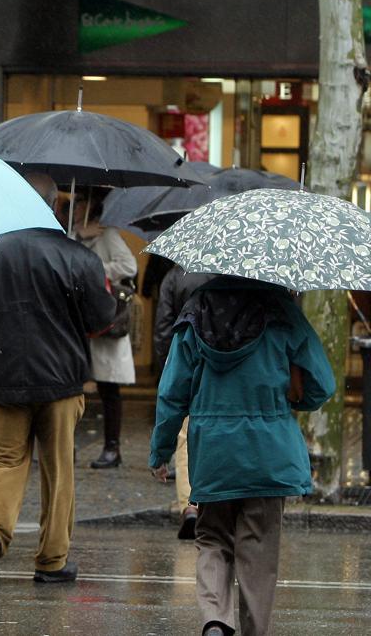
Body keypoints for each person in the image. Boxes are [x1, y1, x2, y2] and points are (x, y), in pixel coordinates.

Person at [0, 173, 115, 588]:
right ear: (55, 204)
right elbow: (100, 319)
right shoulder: (77, 257)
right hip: (61, 381)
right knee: (59, 470)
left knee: (3, 460)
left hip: (2, 377)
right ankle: (52, 560)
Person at [149, 277, 334, 636]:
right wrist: (294, 401)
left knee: (213, 538)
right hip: (270, 453)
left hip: (214, 452)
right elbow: (321, 383)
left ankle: (216, 619)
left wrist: (162, 450)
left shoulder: (195, 313)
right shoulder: (283, 311)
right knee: (259, 550)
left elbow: (171, 393)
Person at [71, 195, 138, 469]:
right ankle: (67, 444)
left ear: (90, 206)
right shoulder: (70, 234)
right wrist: (77, 234)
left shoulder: (107, 234)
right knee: (73, 385)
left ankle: (112, 447)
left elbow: (129, 266)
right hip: (79, 321)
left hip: (106, 321)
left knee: (109, 387)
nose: (74, 207)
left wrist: (96, 270)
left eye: (78, 203)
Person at [153, 261, 214, 539]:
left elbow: (164, 324)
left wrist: (164, 365)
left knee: (185, 435)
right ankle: (215, 501)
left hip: (185, 359)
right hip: (219, 368)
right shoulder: (230, 276)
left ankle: (191, 505)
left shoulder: (175, 276)